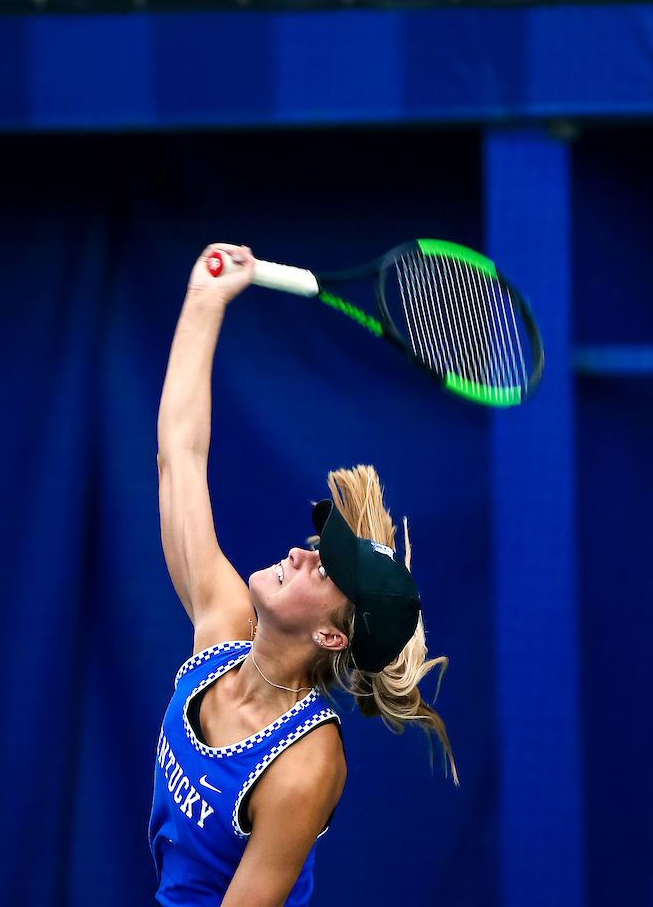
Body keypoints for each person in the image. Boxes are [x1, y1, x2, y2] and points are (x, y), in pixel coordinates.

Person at [149, 243, 456, 907]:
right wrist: (206, 299)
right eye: (322, 545)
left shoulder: (307, 764)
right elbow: (179, 454)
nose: (302, 552)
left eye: (326, 570)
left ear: (333, 637)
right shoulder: (221, 636)